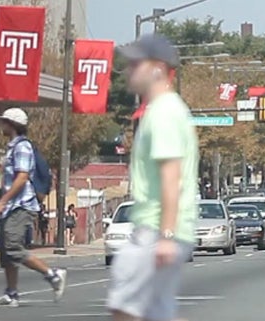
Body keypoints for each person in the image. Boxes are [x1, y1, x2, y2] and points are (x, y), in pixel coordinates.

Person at [107, 34, 198, 321]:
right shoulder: (166, 111)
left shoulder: (164, 113)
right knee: (154, 313)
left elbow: (172, 176)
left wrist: (166, 236)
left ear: (158, 68)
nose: (129, 70)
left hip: (156, 229)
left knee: (124, 308)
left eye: (136, 63)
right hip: (163, 229)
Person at [0, 108, 67, 308]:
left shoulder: (22, 147)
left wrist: (2, 201)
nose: (1, 125)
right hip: (11, 206)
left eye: (4, 122)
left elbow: (22, 177)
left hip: (21, 206)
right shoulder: (13, 147)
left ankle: (53, 275)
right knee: (6, 252)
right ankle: (11, 293)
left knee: (13, 248)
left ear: (12, 124)